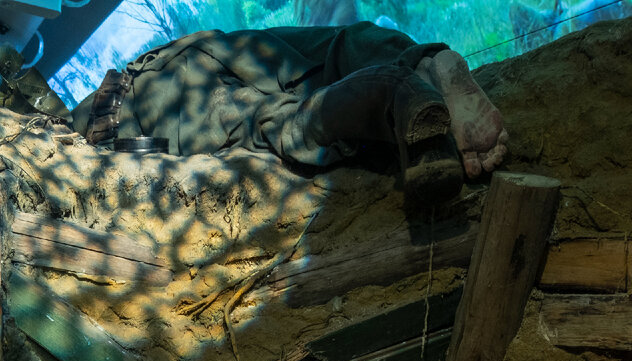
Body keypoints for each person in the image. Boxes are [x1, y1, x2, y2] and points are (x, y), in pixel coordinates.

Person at [70, 22, 509, 204]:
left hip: (156, 98)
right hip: (203, 45)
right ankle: (424, 63)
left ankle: (390, 93)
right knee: (328, 52)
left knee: (275, 123)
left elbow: (128, 162)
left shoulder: (70, 130)